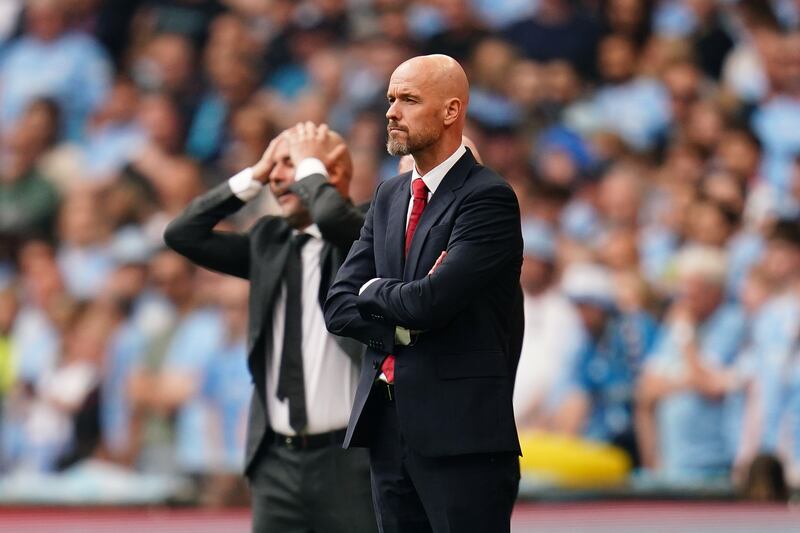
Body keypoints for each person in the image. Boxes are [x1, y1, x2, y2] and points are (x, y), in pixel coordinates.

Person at [324, 54, 523, 533]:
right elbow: (338, 305)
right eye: (391, 98)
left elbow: (430, 302)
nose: (392, 110)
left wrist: (376, 291)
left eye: (409, 99)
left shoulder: (487, 198)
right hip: (387, 428)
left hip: (462, 437)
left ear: (451, 111)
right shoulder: (391, 196)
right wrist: (403, 305)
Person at [164, 122, 376, 532]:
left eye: (289, 166)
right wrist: (255, 174)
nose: (276, 177)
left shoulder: (366, 232)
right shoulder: (269, 241)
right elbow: (182, 234)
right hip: (277, 463)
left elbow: (334, 218)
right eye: (273, 169)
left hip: (351, 462)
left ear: (327, 175)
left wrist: (312, 163)